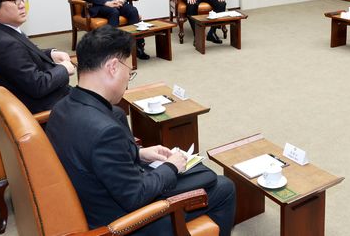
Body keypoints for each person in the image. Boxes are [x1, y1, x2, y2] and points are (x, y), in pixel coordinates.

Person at [46, 26, 235, 235]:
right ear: (113, 67)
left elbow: (91, 157)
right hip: (123, 222)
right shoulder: (105, 132)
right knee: (224, 187)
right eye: (130, 72)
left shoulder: (60, 108)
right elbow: (135, 196)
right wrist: (171, 167)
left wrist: (139, 153)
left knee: (203, 176)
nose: (128, 80)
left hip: (93, 198)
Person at [0, 0, 74, 113]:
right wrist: (63, 69)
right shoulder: (5, 44)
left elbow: (23, 55)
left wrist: (50, 54)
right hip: (49, 107)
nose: (22, 5)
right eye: (14, 0)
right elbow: (38, 86)